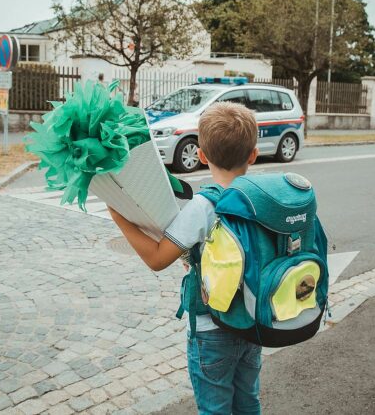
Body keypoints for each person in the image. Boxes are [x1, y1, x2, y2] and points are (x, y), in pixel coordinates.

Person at [108, 102, 262, 414]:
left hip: (212, 329)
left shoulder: (203, 206)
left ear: (202, 156)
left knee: (215, 408)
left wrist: (118, 214)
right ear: (253, 155)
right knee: (247, 403)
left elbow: (156, 258)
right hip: (253, 323)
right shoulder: (261, 196)